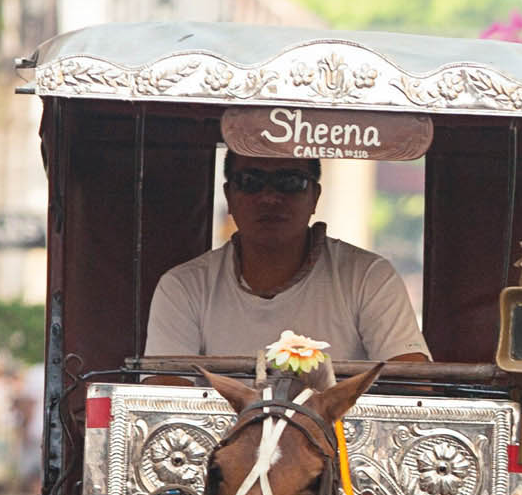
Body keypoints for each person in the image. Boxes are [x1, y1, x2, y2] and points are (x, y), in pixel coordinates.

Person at [143, 152, 432, 368]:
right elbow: (164, 391)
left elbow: (413, 385)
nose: (270, 197)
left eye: (290, 182)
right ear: (229, 196)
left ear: (315, 196)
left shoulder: (369, 276)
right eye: (251, 182)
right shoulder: (182, 287)